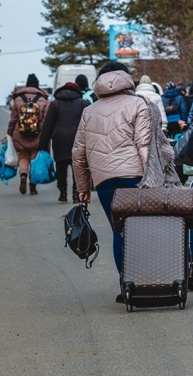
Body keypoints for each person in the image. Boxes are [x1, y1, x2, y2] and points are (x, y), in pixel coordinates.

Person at [72, 61, 151, 301]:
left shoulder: (89, 110)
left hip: (105, 181)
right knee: (140, 230)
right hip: (135, 177)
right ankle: (148, 281)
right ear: (126, 78)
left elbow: (78, 153)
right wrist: (152, 180)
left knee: (119, 231)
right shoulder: (138, 103)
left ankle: (126, 285)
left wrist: (83, 188)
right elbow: (144, 144)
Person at [37, 81, 90, 203]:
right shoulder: (83, 104)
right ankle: (77, 194)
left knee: (61, 167)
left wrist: (43, 146)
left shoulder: (55, 105)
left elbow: (48, 126)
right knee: (77, 168)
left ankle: (63, 193)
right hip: (78, 139)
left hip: (59, 140)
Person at [7, 73, 50, 196]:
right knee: (34, 158)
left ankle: (23, 174)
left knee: (24, 156)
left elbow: (13, 119)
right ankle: (33, 186)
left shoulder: (18, 99)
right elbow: (46, 120)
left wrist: (10, 132)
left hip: (20, 134)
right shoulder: (42, 99)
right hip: (37, 134)